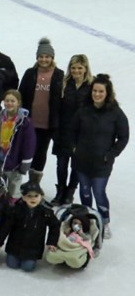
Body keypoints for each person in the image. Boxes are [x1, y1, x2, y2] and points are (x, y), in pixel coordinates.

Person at [70, 74, 129, 238]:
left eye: (101, 91)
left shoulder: (116, 113)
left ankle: (104, 220)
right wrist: (74, 148)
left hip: (102, 163)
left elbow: (123, 137)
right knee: (85, 191)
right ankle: (87, 220)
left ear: (107, 93)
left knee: (99, 191)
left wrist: (111, 154)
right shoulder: (83, 110)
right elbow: (72, 131)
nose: (97, 94)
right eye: (95, 91)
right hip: (81, 161)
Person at [17, 38, 63, 187]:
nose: (44, 59)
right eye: (41, 56)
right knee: (29, 150)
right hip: (30, 121)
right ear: (37, 57)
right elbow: (20, 94)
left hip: (48, 123)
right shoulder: (30, 73)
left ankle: (35, 182)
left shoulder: (59, 75)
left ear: (52, 58)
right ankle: (28, 180)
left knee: (41, 153)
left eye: (47, 57)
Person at [0, 182, 58, 272]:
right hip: (15, 246)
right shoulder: (15, 210)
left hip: (33, 248)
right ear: (23, 197)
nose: (33, 198)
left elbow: (55, 226)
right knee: (12, 264)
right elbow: (5, 227)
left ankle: (29, 259)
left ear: (41, 196)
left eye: (36, 196)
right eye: (29, 196)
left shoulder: (46, 213)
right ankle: (15, 256)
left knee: (27, 267)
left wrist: (51, 242)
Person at [53, 55, 92, 205]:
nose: (76, 70)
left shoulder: (90, 86)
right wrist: (55, 130)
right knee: (61, 164)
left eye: (79, 68)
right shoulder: (63, 84)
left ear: (85, 69)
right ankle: (60, 191)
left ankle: (70, 191)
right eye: (73, 67)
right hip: (63, 130)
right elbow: (56, 108)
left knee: (76, 165)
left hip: (81, 134)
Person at [0, 90, 37, 201]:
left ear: (18, 102)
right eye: (7, 101)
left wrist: (25, 164)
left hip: (15, 162)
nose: (9, 103)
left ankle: (13, 208)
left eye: (12, 101)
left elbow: (29, 144)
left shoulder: (24, 122)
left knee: (13, 190)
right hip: (0, 159)